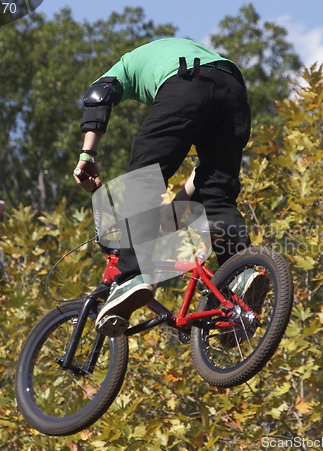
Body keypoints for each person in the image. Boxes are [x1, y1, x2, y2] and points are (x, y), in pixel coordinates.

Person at [73, 38, 253, 337]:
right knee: (217, 192)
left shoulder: (126, 65)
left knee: (142, 177)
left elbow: (99, 94)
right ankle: (240, 275)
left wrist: (86, 156)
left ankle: (132, 277)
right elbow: (201, 177)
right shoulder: (180, 53)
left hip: (187, 79)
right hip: (235, 90)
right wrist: (168, 218)